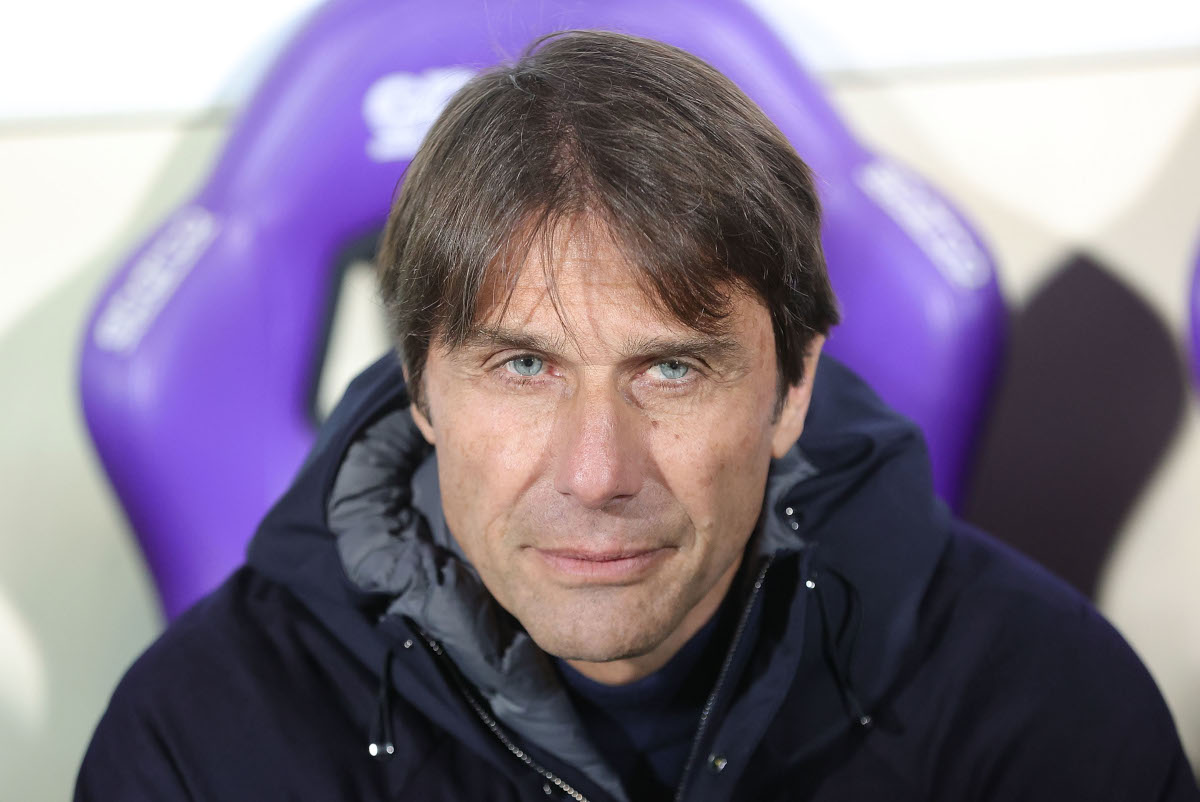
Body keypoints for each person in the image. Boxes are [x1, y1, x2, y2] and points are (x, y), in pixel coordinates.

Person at [76, 30, 1198, 802]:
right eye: (524, 365)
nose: (599, 470)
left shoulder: (1042, 705)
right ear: (420, 385)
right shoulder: (202, 738)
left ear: (791, 386)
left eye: (670, 371)